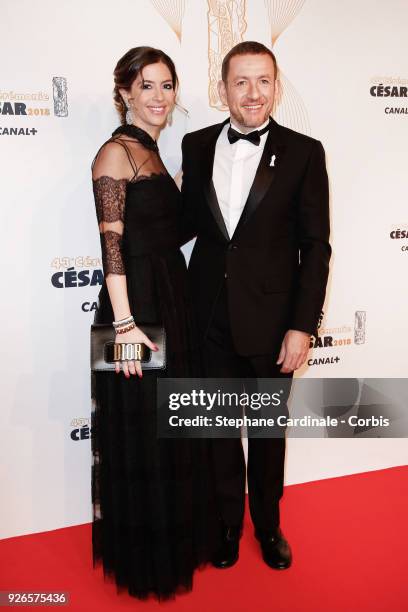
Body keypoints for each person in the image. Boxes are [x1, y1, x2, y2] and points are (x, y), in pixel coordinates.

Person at [181, 41, 331, 570]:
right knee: (219, 430)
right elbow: (192, 226)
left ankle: (268, 525)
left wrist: (301, 326)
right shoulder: (195, 145)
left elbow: (316, 247)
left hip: (272, 324)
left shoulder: (304, 151)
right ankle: (227, 525)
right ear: (222, 89)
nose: (253, 93)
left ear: (277, 85)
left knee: (268, 433)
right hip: (209, 318)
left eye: (263, 80)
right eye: (241, 82)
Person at [90, 46, 216, 600]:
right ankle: (147, 557)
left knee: (168, 424)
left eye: (167, 85)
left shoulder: (157, 153)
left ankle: (175, 538)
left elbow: (165, 233)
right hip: (133, 309)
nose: (159, 96)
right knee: (140, 427)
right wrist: (123, 326)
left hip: (169, 296)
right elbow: (112, 244)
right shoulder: (115, 154)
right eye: (147, 86)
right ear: (124, 94)